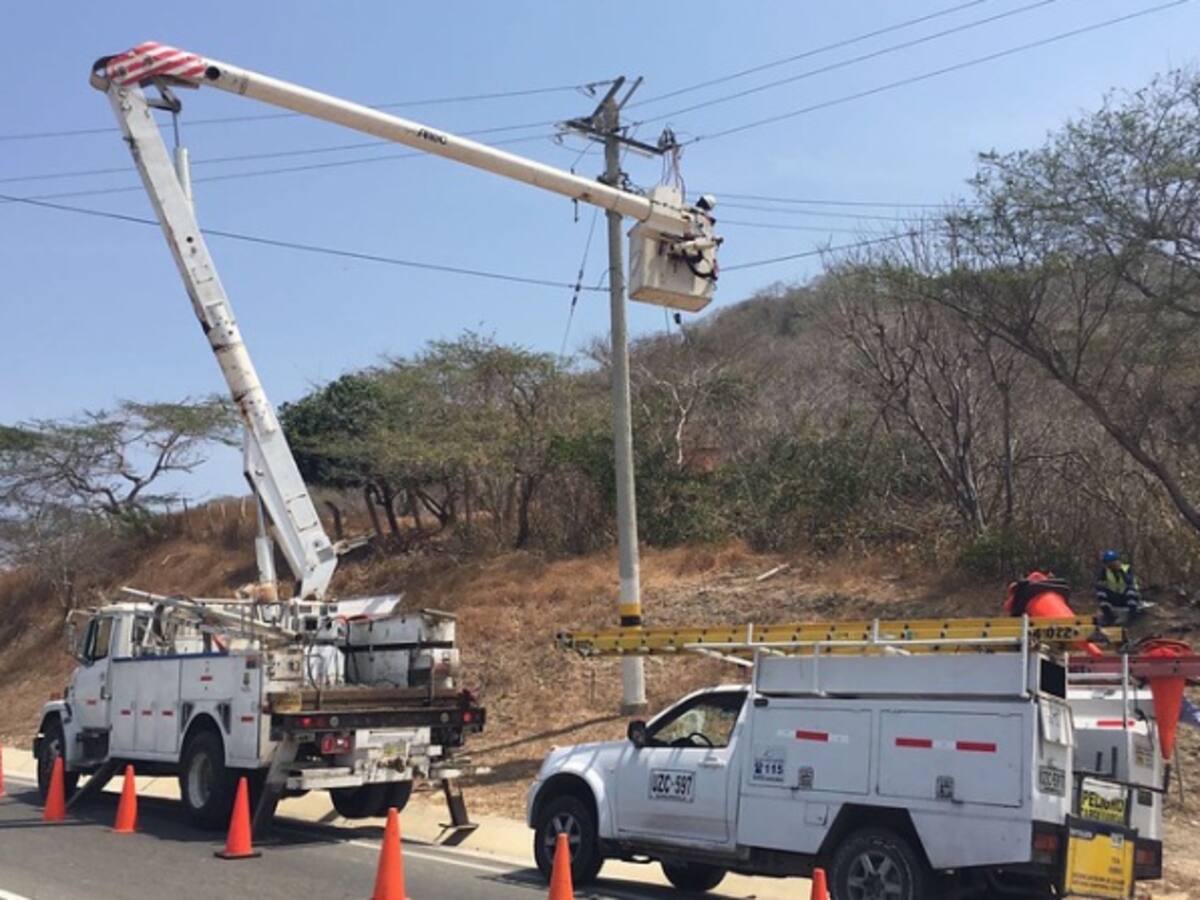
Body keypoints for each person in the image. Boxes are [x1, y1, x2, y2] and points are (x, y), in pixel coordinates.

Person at [1095, 550, 1142, 625]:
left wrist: (1120, 571)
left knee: (1130, 591)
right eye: (1107, 563)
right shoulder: (1105, 571)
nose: (1109, 565)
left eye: (1111, 562)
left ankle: (1132, 616)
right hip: (1115, 597)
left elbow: (1129, 581)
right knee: (1101, 592)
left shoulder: (1126, 569)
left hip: (1127, 597)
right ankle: (1108, 616)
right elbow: (1098, 584)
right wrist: (1101, 584)